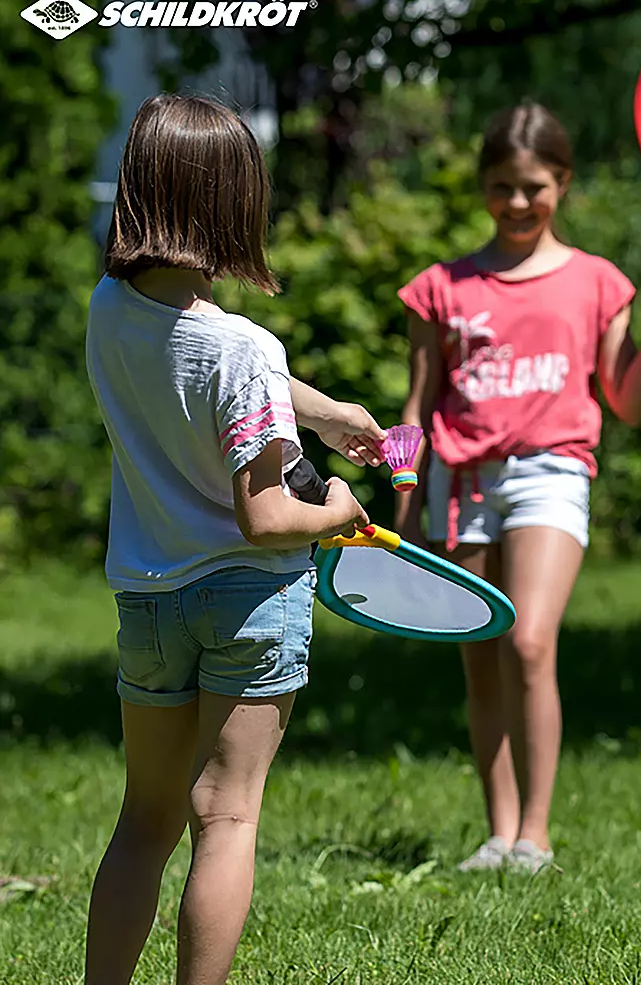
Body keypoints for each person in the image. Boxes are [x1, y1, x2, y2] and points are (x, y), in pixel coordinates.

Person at [83, 94, 383, 985]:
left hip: (149, 599)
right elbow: (268, 517)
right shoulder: (245, 347)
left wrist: (324, 415)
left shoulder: (109, 308)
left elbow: (199, 359)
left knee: (145, 822)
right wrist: (339, 511)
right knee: (226, 816)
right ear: (231, 205)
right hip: (250, 598)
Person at [395, 103, 641, 874]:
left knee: (528, 641)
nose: (518, 202)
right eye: (502, 186)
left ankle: (536, 835)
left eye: (534, 186)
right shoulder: (440, 289)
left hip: (550, 473)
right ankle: (499, 836)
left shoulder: (598, 282)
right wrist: (402, 501)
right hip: (459, 483)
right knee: (481, 657)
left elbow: (629, 401)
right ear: (482, 187)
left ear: (563, 182)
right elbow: (413, 411)